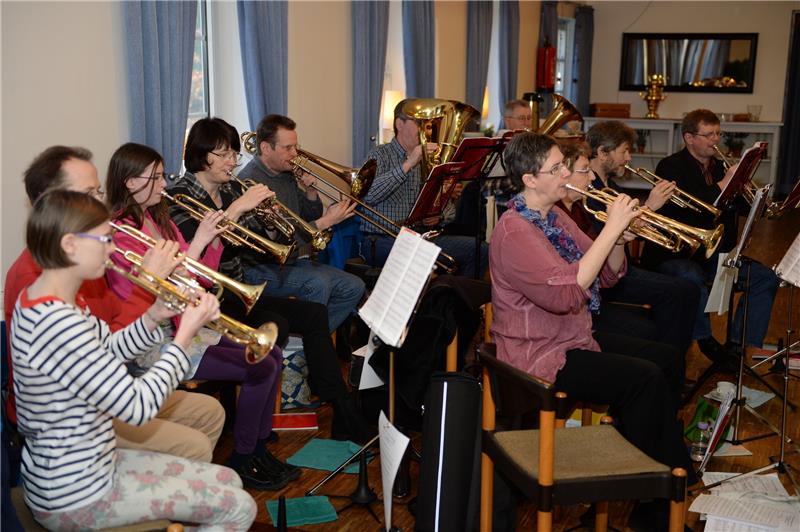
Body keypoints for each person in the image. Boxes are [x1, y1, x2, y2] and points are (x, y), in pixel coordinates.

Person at [10, 190, 256, 530]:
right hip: (76, 494)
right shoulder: (59, 323)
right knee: (238, 507)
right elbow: (137, 407)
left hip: (89, 466)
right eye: (104, 240)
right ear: (69, 245)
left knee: (228, 481)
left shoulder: (46, 298)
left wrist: (153, 316)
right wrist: (183, 337)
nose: (112, 249)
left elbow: (105, 351)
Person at [490, 132, 694, 529]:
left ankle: (650, 460)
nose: (567, 172)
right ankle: (660, 492)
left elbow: (608, 272)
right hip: (539, 355)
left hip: (572, 337)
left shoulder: (554, 216)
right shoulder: (515, 230)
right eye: (557, 168)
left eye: (565, 165)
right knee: (643, 379)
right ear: (529, 180)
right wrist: (610, 230)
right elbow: (567, 294)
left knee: (665, 358)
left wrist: (621, 235)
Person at [3, 146, 225, 463]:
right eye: (87, 193)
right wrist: (156, 299)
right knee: (194, 447)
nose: (100, 203)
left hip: (106, 386)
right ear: (53, 202)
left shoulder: (77, 266)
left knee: (209, 412)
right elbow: (127, 398)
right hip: (76, 423)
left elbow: (107, 341)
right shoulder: (37, 279)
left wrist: (152, 315)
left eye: (98, 191)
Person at [105, 142, 297, 490]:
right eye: (156, 178)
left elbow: (201, 276)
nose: (164, 185)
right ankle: (243, 456)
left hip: (185, 327)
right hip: (157, 341)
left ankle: (258, 447)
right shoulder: (120, 233)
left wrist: (213, 238)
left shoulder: (158, 219)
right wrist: (200, 242)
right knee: (262, 366)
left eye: (163, 177)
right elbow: (147, 291)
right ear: (130, 182)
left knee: (273, 354)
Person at [168, 117, 372, 443]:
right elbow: (207, 251)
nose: (233, 161)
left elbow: (264, 242)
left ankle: (337, 402)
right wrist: (237, 210)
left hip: (237, 291)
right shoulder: (178, 195)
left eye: (234, 153)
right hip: (208, 297)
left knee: (314, 314)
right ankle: (254, 426)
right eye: (223, 154)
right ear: (200, 155)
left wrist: (271, 216)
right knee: (279, 321)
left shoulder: (232, 188)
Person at [641, 109, 779, 359]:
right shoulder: (671, 166)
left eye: (717, 133)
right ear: (689, 138)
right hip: (677, 253)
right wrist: (724, 184)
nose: (715, 140)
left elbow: (743, 210)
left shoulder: (719, 168)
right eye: (707, 135)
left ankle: (738, 344)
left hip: (717, 253)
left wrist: (752, 195)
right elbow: (692, 209)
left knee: (765, 278)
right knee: (690, 276)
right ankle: (704, 340)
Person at [236, 114, 365, 332]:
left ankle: (307, 344)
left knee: (354, 286)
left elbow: (307, 214)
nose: (295, 154)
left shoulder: (285, 173)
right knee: (318, 284)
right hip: (262, 267)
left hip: (295, 260)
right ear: (266, 148)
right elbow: (275, 243)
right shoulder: (250, 182)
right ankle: (310, 347)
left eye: (295, 146)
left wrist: (312, 191)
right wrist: (324, 223)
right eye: (288, 148)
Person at [584, 121, 701, 359]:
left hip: (622, 267)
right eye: (624, 151)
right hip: (606, 277)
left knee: (687, 290)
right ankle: (666, 360)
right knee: (679, 292)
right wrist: (650, 206)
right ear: (602, 153)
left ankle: (670, 359)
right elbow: (603, 237)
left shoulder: (612, 187)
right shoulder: (590, 191)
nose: (628, 158)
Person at [359, 102, 489, 278]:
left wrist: (439, 213)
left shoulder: (431, 160)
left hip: (421, 237)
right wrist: (409, 163)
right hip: (382, 238)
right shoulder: (379, 155)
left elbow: (448, 215)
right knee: (423, 260)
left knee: (481, 250)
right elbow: (369, 195)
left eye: (427, 126)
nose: (426, 132)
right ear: (399, 124)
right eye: (420, 124)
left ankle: (451, 302)